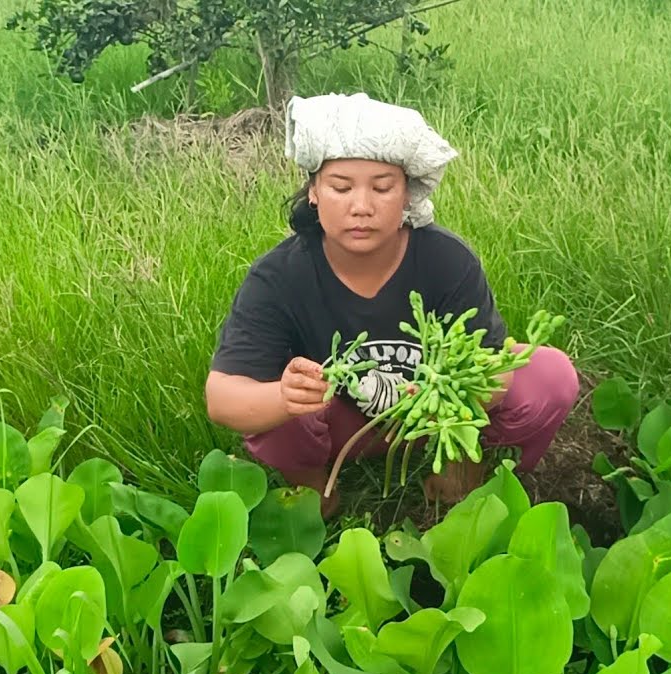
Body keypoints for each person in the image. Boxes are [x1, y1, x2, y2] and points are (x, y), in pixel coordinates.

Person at [204, 92, 579, 518]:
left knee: (549, 376)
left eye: (382, 188)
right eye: (340, 187)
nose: (361, 207)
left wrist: (449, 396)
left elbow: (492, 371)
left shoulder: (448, 262)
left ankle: (461, 458)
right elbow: (222, 397)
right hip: (343, 424)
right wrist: (287, 397)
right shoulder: (278, 277)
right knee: (274, 404)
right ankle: (311, 483)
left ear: (408, 196)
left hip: (434, 417)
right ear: (314, 192)